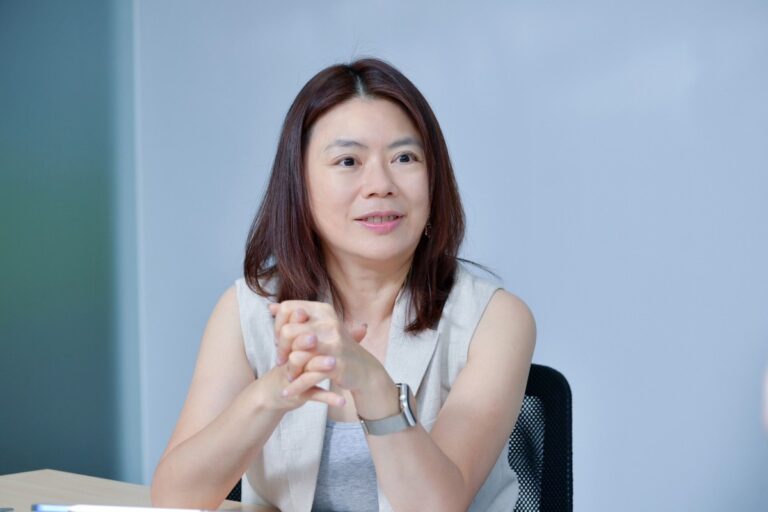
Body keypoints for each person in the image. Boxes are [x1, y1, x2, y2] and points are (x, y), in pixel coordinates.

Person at [150, 58, 536, 512]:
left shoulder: (495, 319)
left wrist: (372, 384)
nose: (380, 185)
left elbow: (436, 507)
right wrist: (273, 392)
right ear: (300, 185)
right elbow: (174, 498)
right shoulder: (248, 310)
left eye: (405, 158)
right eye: (348, 161)